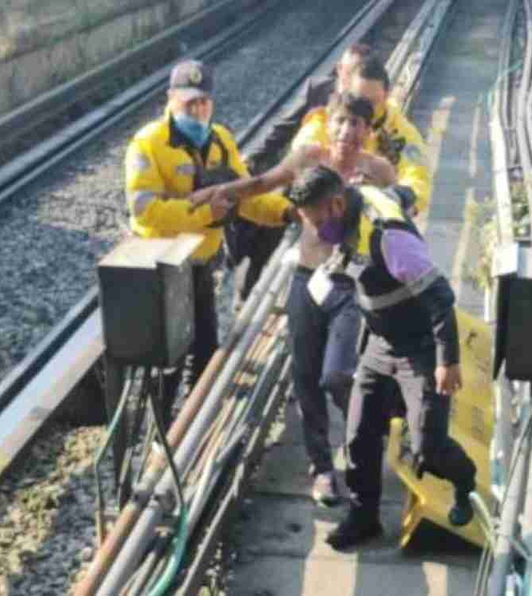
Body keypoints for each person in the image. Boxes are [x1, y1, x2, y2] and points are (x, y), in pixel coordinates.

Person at [187, 92, 396, 506]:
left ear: (367, 132)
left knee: (337, 374)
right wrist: (218, 193)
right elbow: (262, 183)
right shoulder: (308, 158)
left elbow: (399, 216)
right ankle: (321, 468)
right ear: (328, 123)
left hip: (349, 283)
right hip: (307, 277)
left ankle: (368, 434)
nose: (347, 132)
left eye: (356, 125)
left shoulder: (379, 171)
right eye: (340, 122)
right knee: (304, 375)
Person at [285, 165, 477, 550]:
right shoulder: (353, 203)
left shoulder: (389, 237)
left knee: (428, 447)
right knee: (359, 433)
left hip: (420, 346)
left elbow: (439, 296)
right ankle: (363, 516)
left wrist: (447, 361)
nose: (315, 231)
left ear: (337, 204)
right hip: (379, 342)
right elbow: (402, 193)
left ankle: (464, 481)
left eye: (316, 221)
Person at [124, 59, 294, 422]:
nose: (197, 109)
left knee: (204, 351)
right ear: (170, 99)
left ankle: (191, 426)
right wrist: (205, 215)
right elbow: (145, 210)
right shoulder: (148, 144)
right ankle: (161, 433)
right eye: (189, 102)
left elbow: (247, 196)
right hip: (163, 269)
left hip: (201, 267)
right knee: (167, 362)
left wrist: (287, 211)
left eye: (203, 102)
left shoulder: (220, 140)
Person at [223, 44, 373, 311]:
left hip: (338, 182)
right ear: (340, 69)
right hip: (301, 175)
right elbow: (284, 125)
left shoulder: (366, 105)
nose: (350, 80)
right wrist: (256, 156)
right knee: (270, 220)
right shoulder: (318, 89)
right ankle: (247, 290)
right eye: (347, 72)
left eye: (357, 74)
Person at [296, 56, 432, 216]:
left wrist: (396, 199)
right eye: (358, 100)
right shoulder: (329, 122)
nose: (364, 109)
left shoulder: (401, 133)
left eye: (372, 102)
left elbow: (417, 177)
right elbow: (303, 149)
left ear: (386, 95)